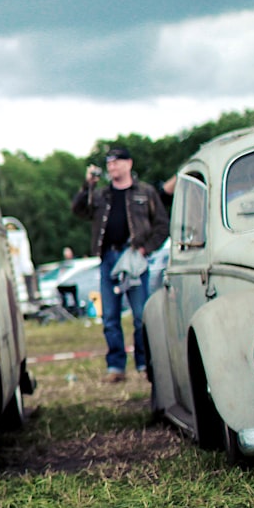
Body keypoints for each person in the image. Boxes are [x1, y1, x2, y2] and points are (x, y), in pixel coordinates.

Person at [72, 147, 169, 383]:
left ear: (129, 163)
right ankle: (116, 366)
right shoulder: (101, 194)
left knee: (140, 314)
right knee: (110, 316)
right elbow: (78, 209)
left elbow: (162, 225)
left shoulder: (145, 192)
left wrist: (145, 248)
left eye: (116, 162)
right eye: (109, 163)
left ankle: (145, 362)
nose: (112, 167)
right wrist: (88, 185)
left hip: (134, 257)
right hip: (109, 258)